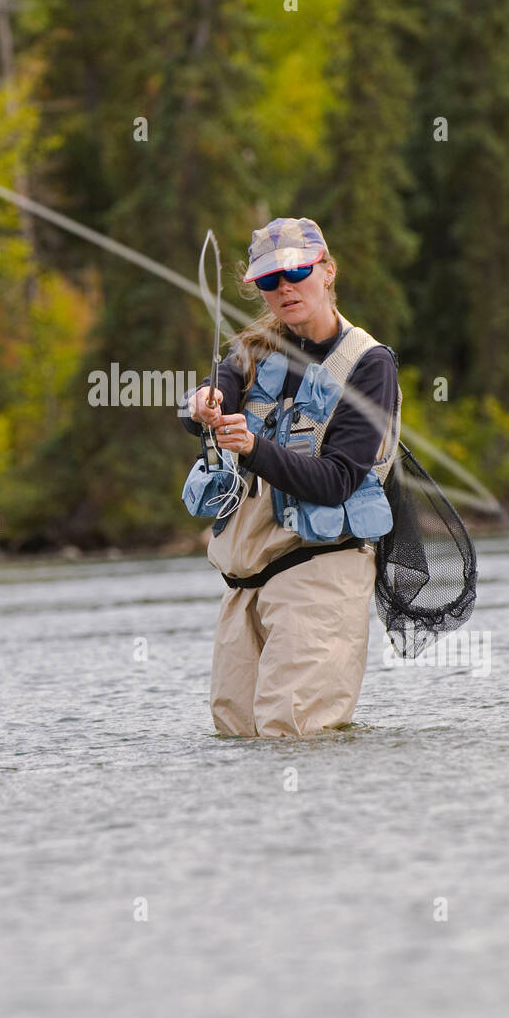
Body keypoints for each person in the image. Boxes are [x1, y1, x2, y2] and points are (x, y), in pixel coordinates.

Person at [179, 217, 401, 738]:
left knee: (294, 735)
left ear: (327, 271)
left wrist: (254, 448)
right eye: (268, 281)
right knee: (236, 736)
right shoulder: (251, 350)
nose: (284, 288)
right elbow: (204, 405)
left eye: (296, 272)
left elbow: (337, 482)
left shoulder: (369, 366)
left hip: (322, 571)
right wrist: (198, 407)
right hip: (246, 580)